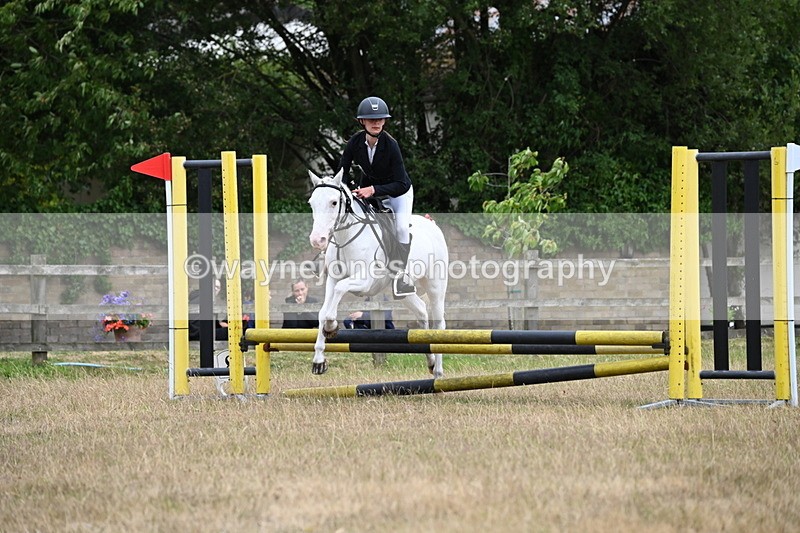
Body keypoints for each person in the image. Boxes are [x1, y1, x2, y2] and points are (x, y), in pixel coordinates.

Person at [339, 96, 416, 298]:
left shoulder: (391, 145)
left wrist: (372, 190)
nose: (377, 123)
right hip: (370, 190)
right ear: (362, 121)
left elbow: (399, 183)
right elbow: (342, 172)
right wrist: (345, 190)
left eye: (380, 119)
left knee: (400, 227)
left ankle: (401, 276)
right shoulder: (355, 143)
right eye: (371, 119)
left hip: (398, 192)